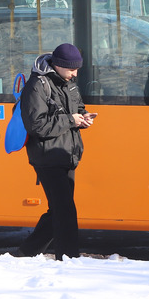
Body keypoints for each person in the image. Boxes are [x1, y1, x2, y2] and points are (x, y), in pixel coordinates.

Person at [18, 43, 97, 260]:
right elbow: (36, 125)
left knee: (58, 211)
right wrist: (71, 120)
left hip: (66, 154)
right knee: (66, 212)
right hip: (47, 156)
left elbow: (77, 108)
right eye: (72, 69)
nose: (75, 73)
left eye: (77, 69)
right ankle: (69, 258)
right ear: (58, 65)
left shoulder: (68, 84)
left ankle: (27, 252)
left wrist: (83, 118)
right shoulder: (37, 86)